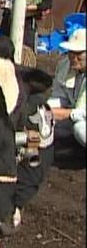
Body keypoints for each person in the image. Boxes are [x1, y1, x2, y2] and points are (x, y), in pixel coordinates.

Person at [48, 28, 86, 159]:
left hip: (81, 118)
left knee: (80, 129)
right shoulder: (65, 65)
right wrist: (46, 109)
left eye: (79, 53)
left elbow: (82, 112)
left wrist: (55, 113)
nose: (73, 58)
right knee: (45, 124)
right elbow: (59, 97)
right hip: (74, 115)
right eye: (71, 52)